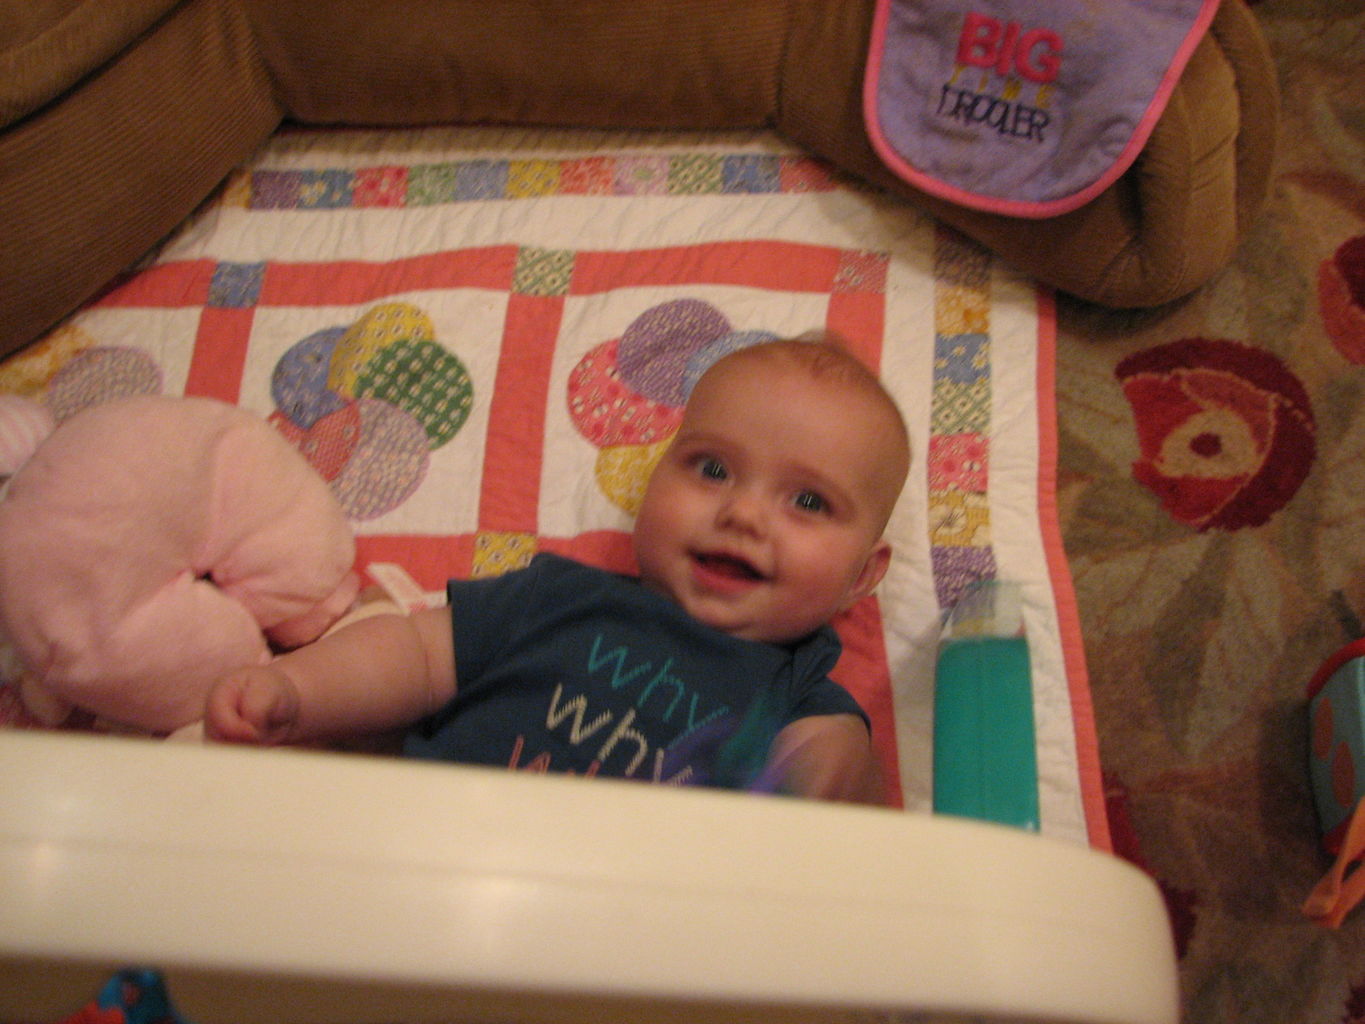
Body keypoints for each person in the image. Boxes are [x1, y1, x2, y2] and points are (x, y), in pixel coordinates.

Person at [206, 338, 910, 803]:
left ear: (860, 578)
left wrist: (827, 785)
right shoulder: (555, 600)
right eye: (712, 468)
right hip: (427, 872)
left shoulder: (801, 712)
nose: (743, 514)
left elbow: (838, 830)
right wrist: (297, 690)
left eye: (808, 502)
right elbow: (415, 652)